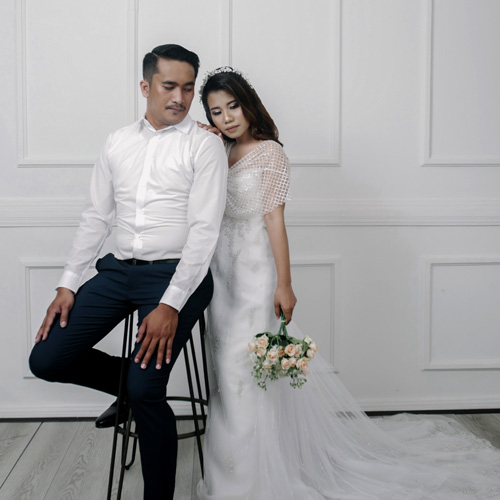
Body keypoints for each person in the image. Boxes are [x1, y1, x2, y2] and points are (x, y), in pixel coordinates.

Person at [196, 67, 500, 499]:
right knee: (224, 375)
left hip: (253, 275)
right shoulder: (219, 149)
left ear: (248, 105)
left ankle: (248, 482)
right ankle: (231, 469)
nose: (227, 118)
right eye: (216, 111)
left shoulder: (269, 154)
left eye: (233, 106)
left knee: (244, 371)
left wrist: (285, 284)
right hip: (220, 276)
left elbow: (275, 223)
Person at [28, 44, 227, 500]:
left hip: (178, 275)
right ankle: (129, 387)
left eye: (188, 88)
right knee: (46, 359)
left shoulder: (204, 144)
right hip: (118, 272)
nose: (180, 97)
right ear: (145, 86)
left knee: (147, 390)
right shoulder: (117, 141)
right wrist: (67, 284)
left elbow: (205, 233)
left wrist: (170, 304)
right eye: (169, 86)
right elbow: (96, 217)